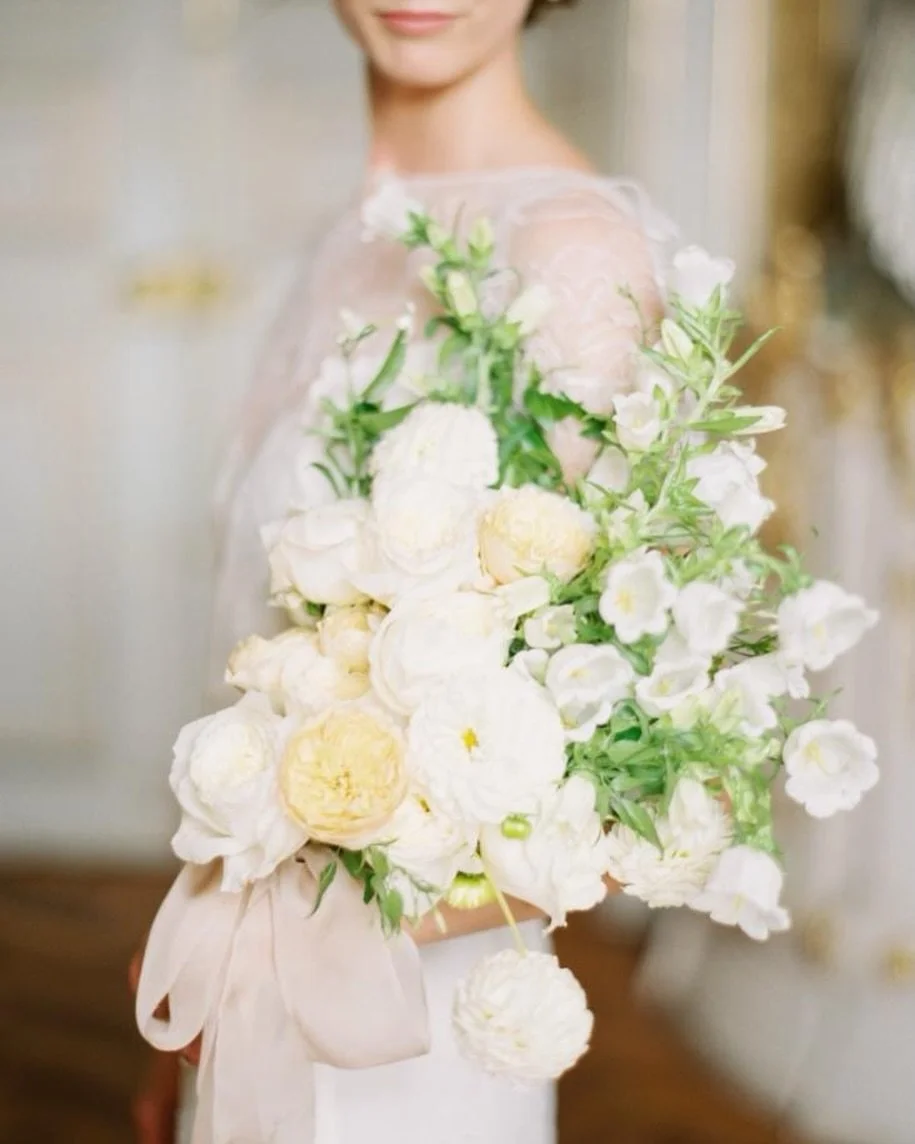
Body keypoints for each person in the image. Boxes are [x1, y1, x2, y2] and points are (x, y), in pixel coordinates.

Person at [132, 1, 671, 1140]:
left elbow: (630, 787)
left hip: (415, 1021)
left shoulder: (571, 257)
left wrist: (274, 945)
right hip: (253, 967)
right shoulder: (357, 221)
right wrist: (210, 973)